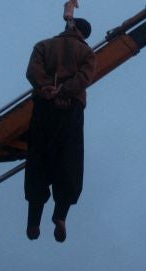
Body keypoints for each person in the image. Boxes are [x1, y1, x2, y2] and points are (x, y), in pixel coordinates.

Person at [24, 18, 96, 243]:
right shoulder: (86, 52)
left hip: (43, 108)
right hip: (70, 109)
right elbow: (85, 78)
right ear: (83, 34)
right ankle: (61, 216)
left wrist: (47, 88)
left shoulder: (43, 45)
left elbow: (32, 71)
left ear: (69, 27)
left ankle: (34, 220)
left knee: (38, 159)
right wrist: (64, 91)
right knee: (69, 160)